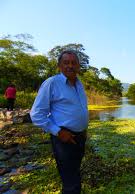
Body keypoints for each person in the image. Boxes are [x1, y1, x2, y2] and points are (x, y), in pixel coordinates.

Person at [30, 50, 89, 194]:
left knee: (74, 172)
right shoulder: (52, 83)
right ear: (59, 66)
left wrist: (84, 129)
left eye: (74, 63)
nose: (70, 66)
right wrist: (58, 132)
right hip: (63, 138)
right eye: (66, 62)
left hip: (80, 137)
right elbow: (36, 114)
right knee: (70, 181)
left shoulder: (79, 84)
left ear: (78, 66)